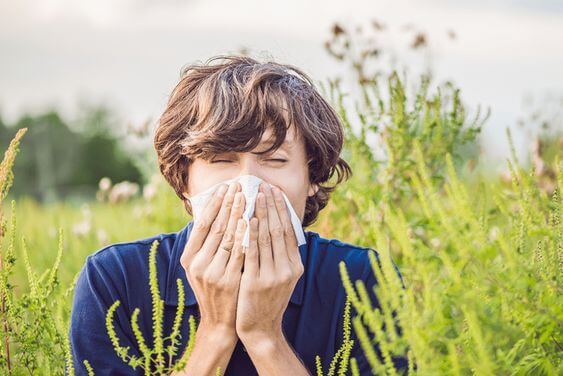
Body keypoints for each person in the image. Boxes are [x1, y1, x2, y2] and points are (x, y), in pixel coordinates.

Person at [68, 55, 408, 375]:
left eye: (274, 160)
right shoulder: (116, 280)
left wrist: (265, 337)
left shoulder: (363, 281)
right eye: (221, 160)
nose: (249, 184)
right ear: (184, 179)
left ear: (312, 179)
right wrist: (215, 333)